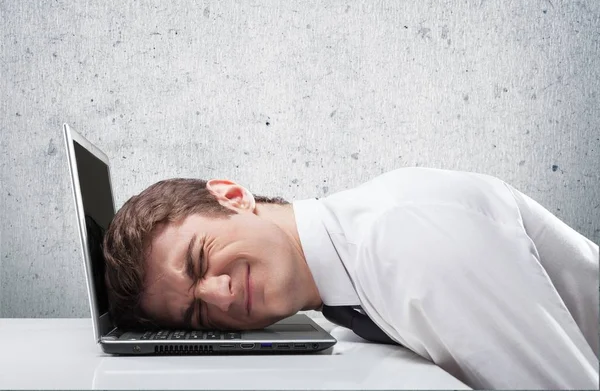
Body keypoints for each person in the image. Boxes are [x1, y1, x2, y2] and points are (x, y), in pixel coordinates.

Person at [103, 166, 599, 389]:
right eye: (196, 314)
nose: (222, 297)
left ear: (232, 196)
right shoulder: (341, 294)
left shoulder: (410, 245)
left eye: (198, 259)